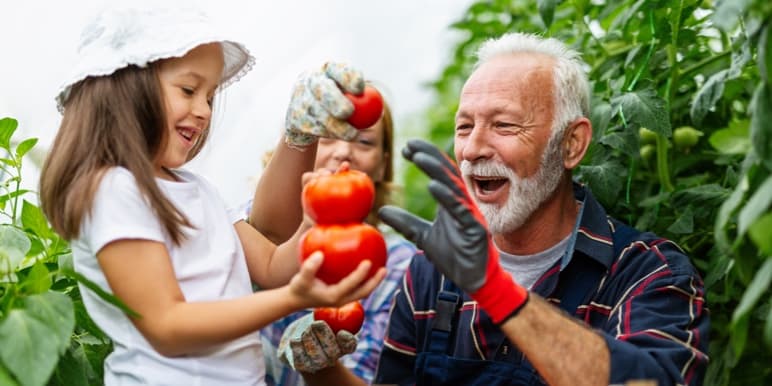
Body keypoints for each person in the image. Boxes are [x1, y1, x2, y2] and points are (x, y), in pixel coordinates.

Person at [282, 32, 710, 386]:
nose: (472, 148)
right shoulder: (432, 272)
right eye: (464, 126)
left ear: (571, 144)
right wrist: (324, 372)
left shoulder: (648, 273)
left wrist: (495, 290)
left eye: (504, 125)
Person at [38, 6, 384, 385]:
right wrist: (293, 299)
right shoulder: (114, 191)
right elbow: (167, 326)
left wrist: (311, 227)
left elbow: (269, 266)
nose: (203, 110)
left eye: (210, 95)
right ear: (125, 88)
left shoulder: (197, 190)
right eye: (189, 90)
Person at [245, 87, 418, 385]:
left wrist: (320, 365)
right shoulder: (250, 222)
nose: (343, 152)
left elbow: (376, 374)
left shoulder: (399, 264)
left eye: (364, 142)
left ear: (382, 164)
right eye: (327, 135)